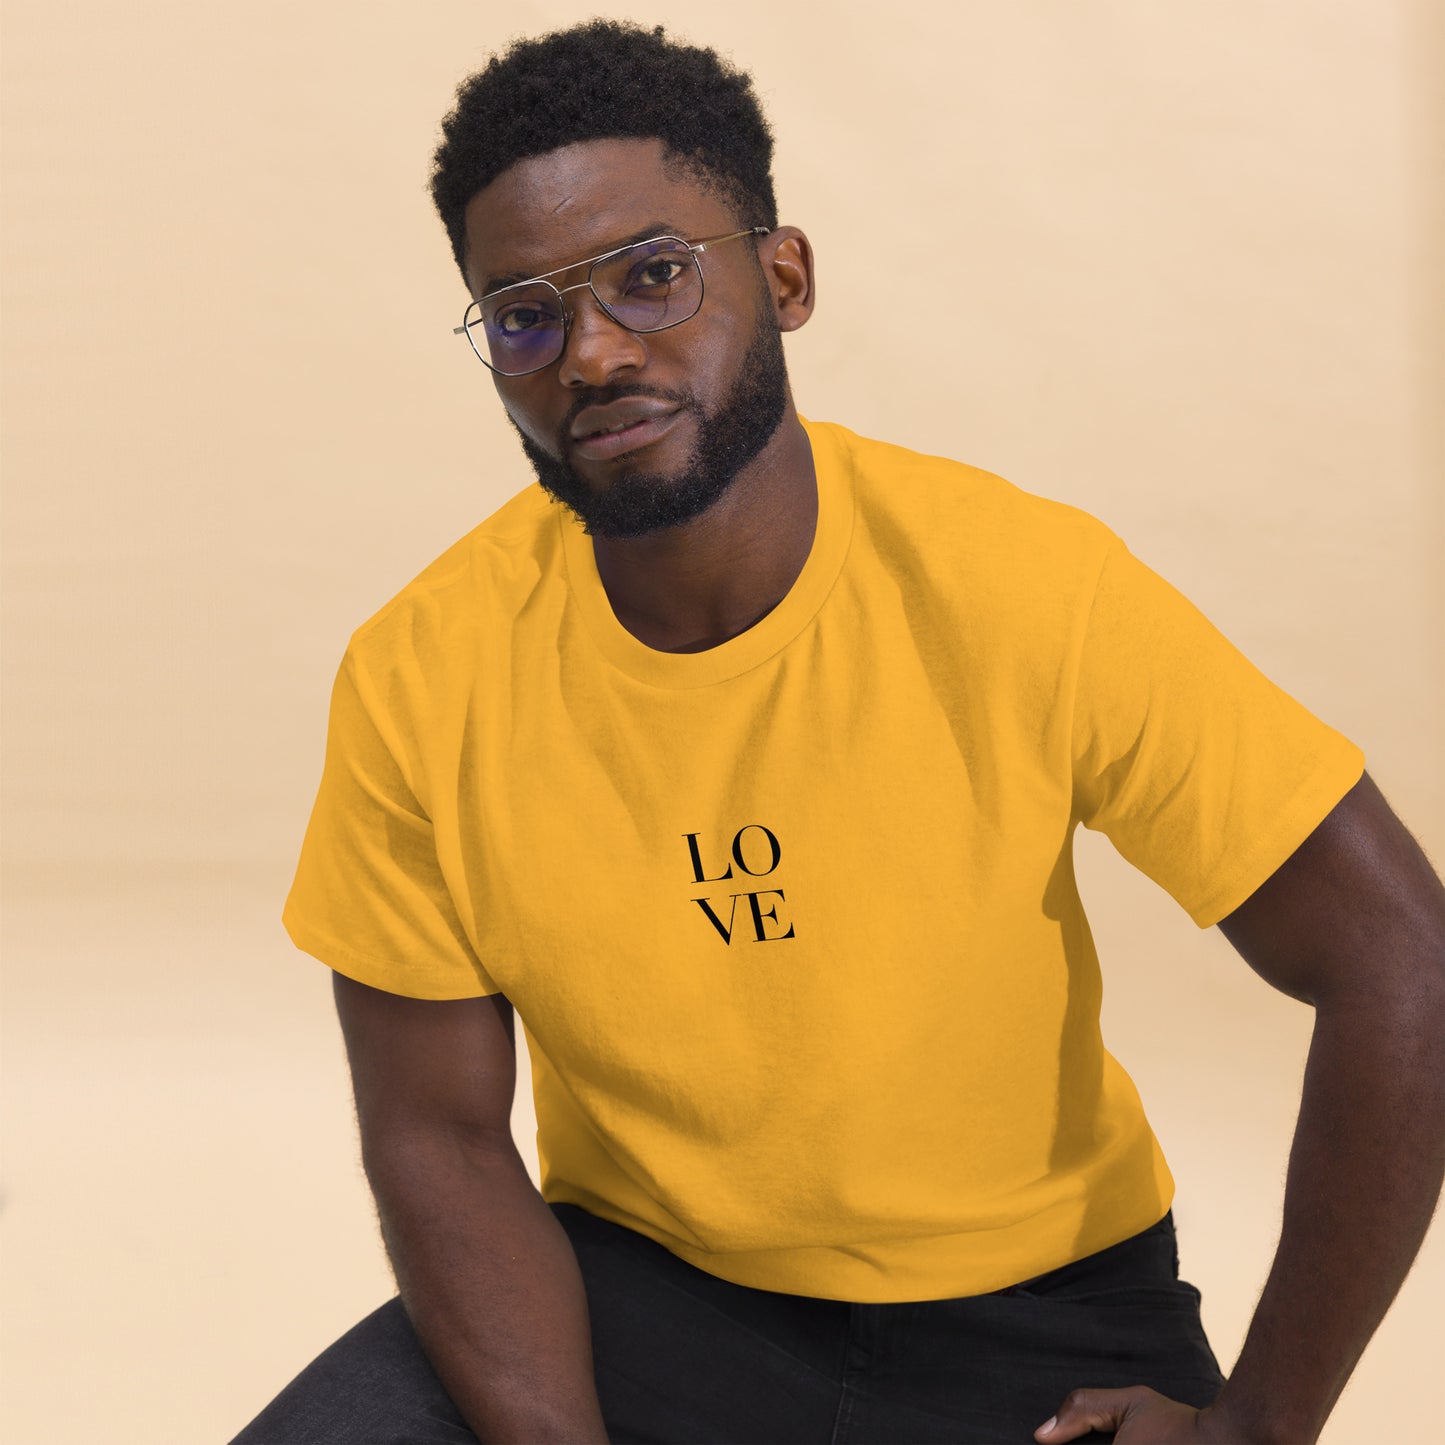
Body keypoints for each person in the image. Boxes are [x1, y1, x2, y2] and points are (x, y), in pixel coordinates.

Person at [232, 20, 1445, 1445]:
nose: (594, 352)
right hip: (642, 1297)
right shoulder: (419, 670)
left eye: (653, 275)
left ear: (784, 276)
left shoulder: (1022, 586)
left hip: (1035, 1321)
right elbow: (433, 1129)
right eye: (523, 316)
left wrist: (1259, 1424)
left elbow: (1400, 959)